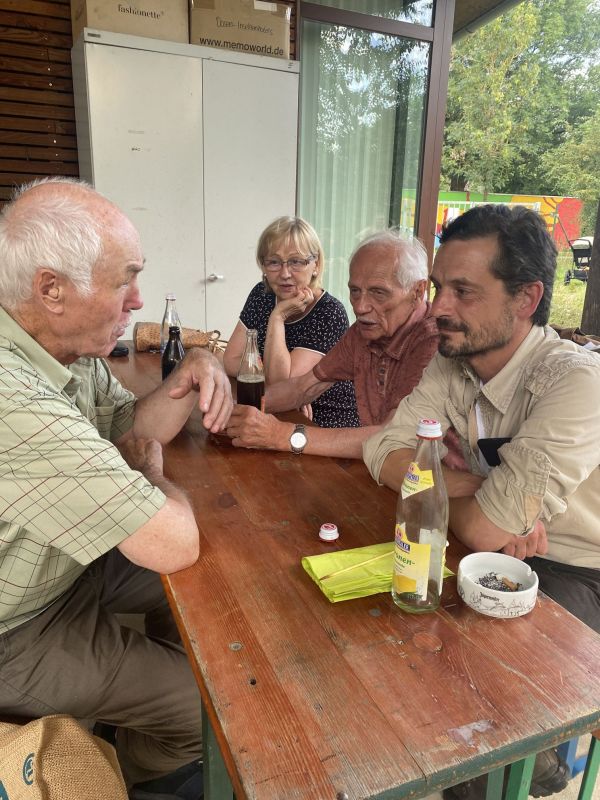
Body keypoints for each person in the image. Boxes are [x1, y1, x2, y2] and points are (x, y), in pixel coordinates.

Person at [0, 177, 233, 800]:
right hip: (15, 630)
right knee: (208, 706)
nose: (137, 299)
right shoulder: (10, 394)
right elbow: (171, 541)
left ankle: (131, 722)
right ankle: (130, 773)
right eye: (123, 280)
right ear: (51, 289)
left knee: (220, 588)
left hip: (65, 570)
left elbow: (133, 429)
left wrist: (194, 368)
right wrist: (150, 478)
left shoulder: (61, 350)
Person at [363, 204, 600, 799]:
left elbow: (489, 530)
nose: (438, 308)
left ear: (526, 298)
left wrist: (449, 496)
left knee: (467, 706)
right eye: (439, 287)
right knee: (394, 634)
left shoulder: (576, 381)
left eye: (463, 292)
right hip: (489, 547)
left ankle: (525, 760)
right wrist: (470, 492)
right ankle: (525, 755)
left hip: (577, 570)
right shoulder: (455, 363)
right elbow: (381, 448)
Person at [226, 230, 440, 457]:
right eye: (355, 291)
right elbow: (303, 388)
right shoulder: (363, 332)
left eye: (378, 293)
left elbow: (392, 435)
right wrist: (230, 409)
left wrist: (280, 434)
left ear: (418, 292)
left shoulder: (433, 342)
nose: (360, 307)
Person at [223, 215, 360, 427]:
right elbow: (231, 359)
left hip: (323, 422)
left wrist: (277, 317)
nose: (285, 273)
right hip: (272, 410)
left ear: (316, 265)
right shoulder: (261, 294)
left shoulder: (330, 312)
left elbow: (282, 384)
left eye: (296, 262)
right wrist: (283, 388)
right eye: (274, 262)